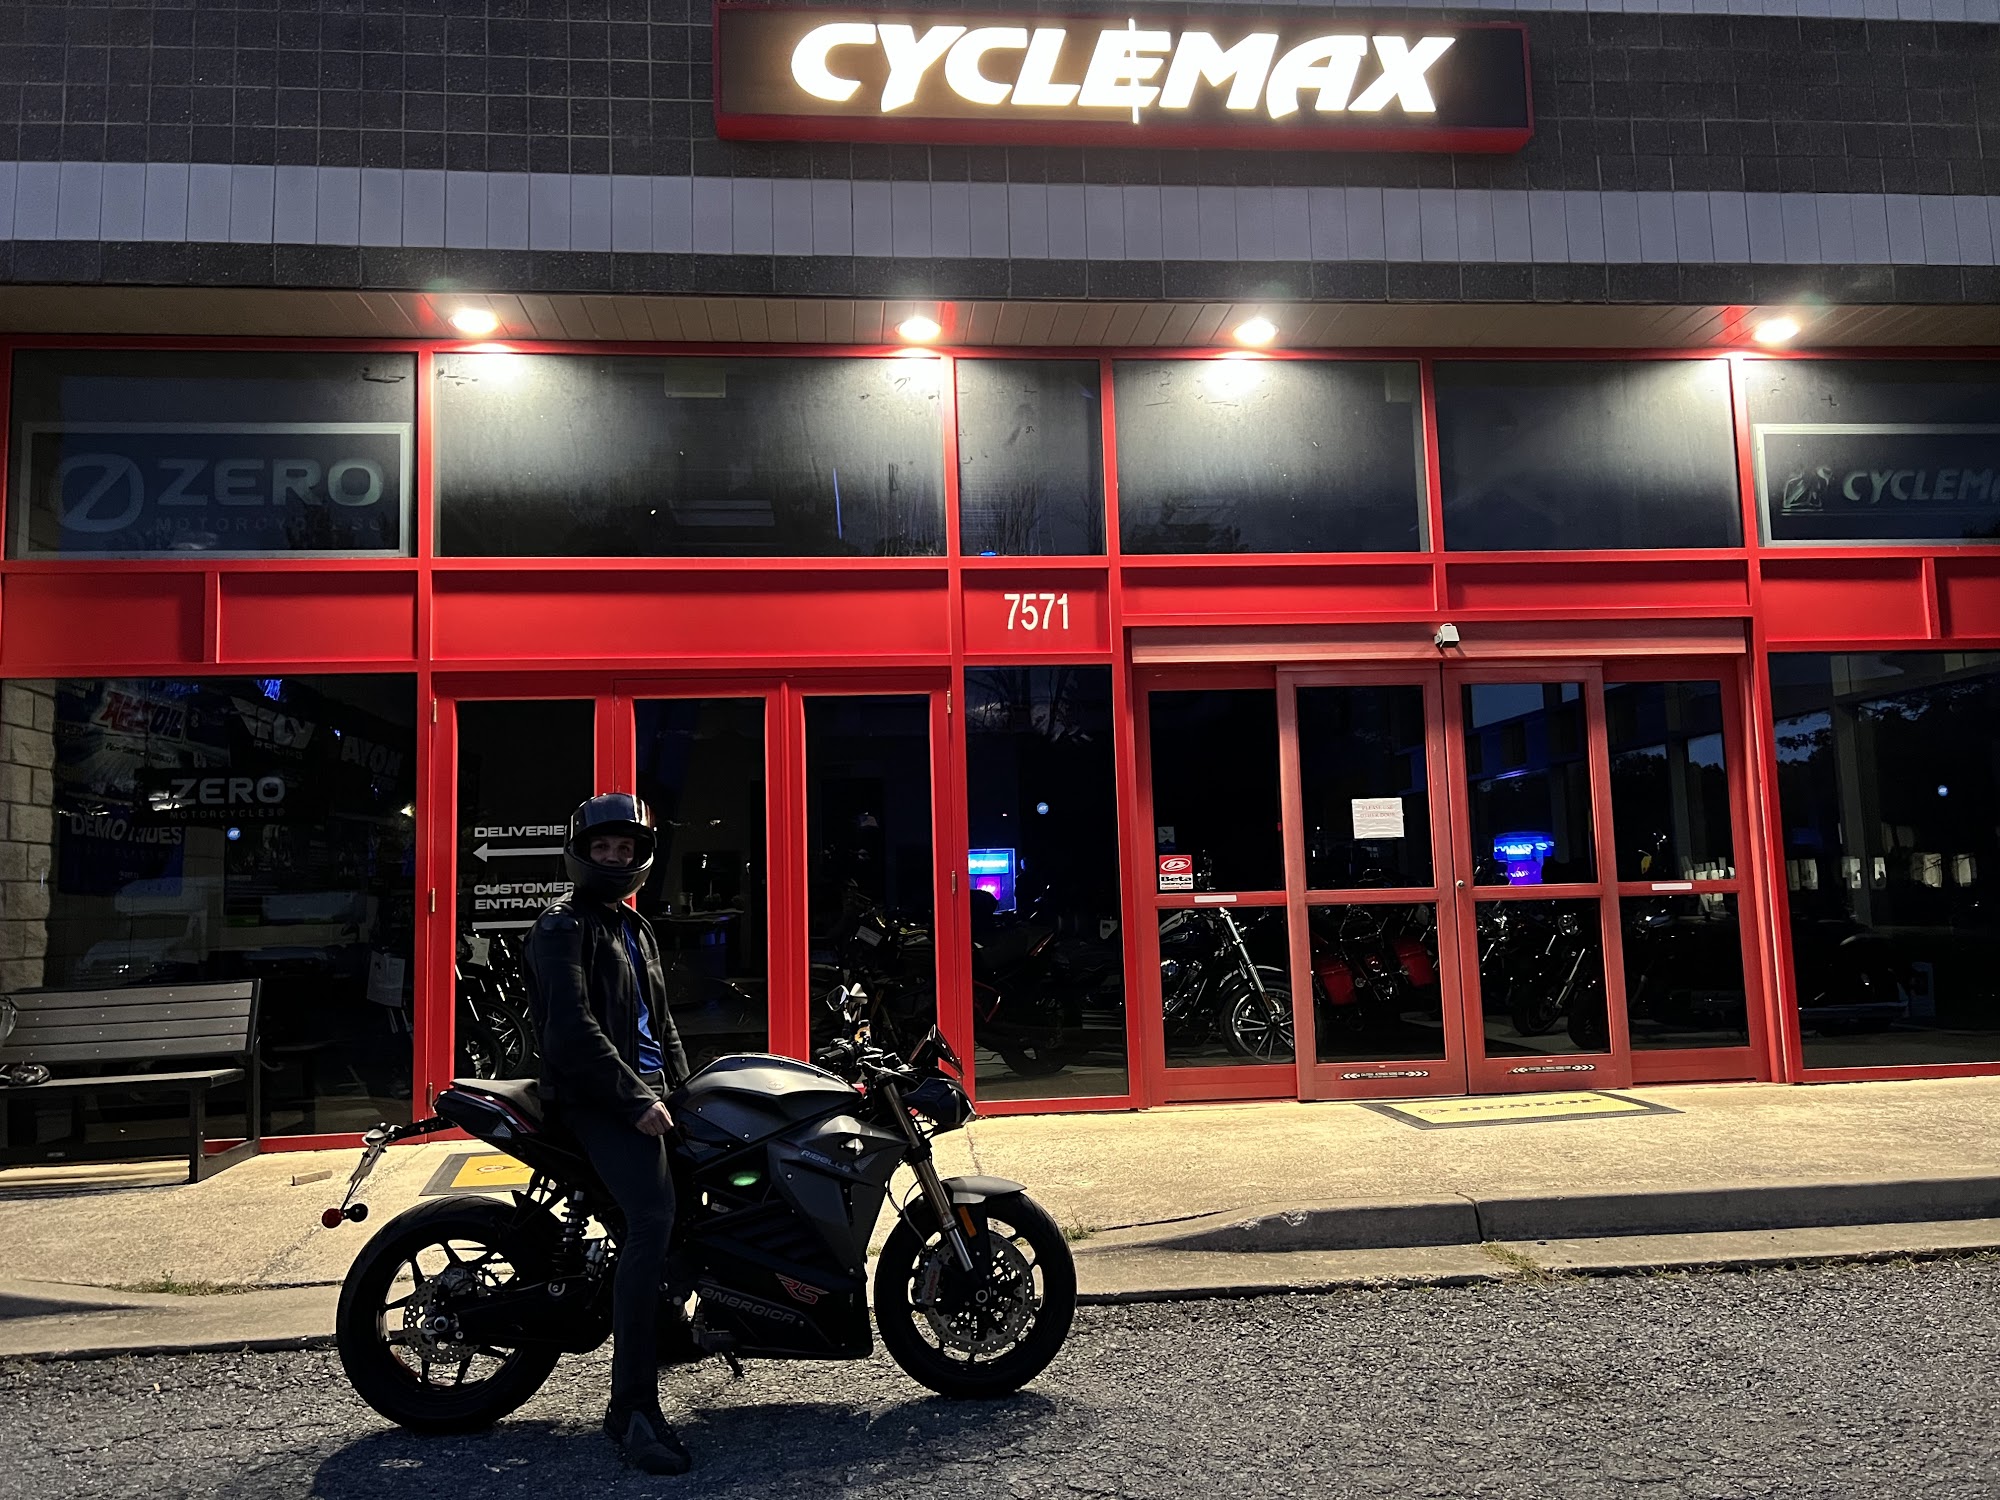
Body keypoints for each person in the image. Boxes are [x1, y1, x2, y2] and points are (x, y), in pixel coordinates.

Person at [522, 792, 693, 1476]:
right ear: (581, 852)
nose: (615, 858)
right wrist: (633, 1099)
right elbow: (570, 1031)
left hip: (644, 1094)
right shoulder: (561, 927)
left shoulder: (635, 926)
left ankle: (670, 1326)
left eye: (626, 848)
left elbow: (661, 1021)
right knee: (652, 1219)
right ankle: (632, 1410)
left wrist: (687, 1092)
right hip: (595, 1099)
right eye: (603, 847)